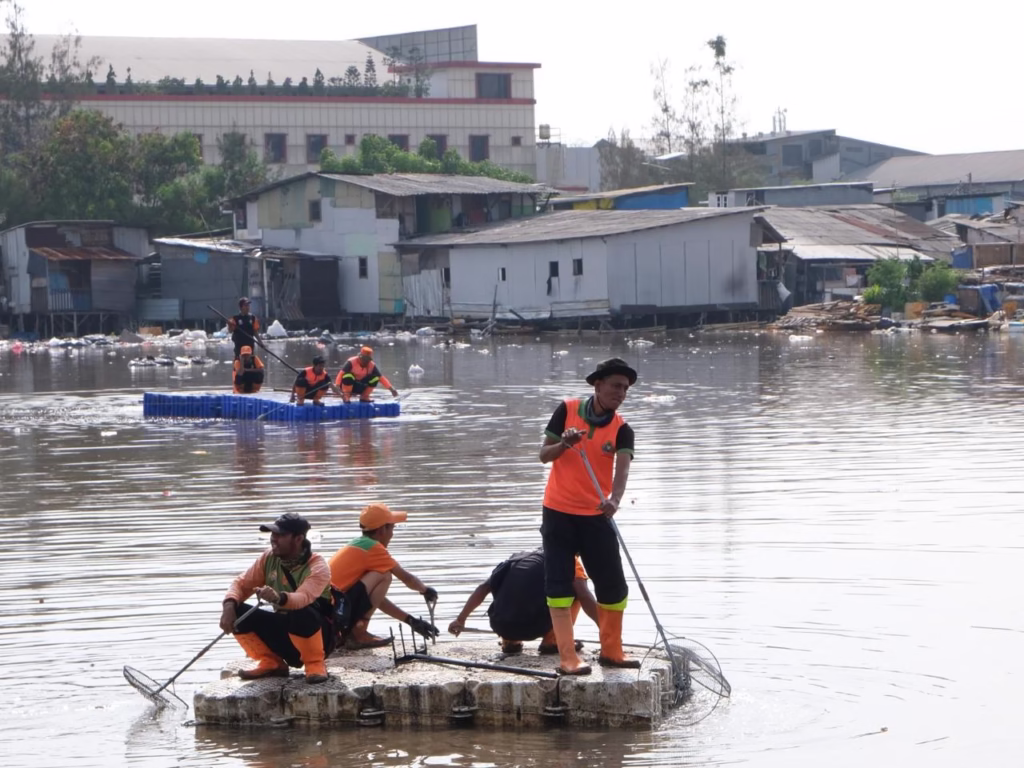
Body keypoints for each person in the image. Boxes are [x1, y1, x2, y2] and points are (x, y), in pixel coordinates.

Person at [538, 357, 640, 676]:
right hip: (558, 512)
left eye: (625, 388)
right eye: (615, 386)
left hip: (597, 515)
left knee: (614, 586)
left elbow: (622, 470)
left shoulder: (622, 429)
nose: (621, 393)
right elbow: (544, 455)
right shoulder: (566, 410)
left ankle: (612, 651)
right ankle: (568, 657)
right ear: (597, 385)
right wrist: (564, 445)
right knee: (558, 584)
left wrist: (615, 500)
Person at [220, 513, 333, 684]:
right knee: (238, 610)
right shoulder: (269, 558)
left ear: (298, 539)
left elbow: (303, 598)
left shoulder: (317, 566)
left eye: (280, 535)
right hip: (287, 630)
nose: (274, 539)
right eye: (273, 534)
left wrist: (278, 597)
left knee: (301, 611)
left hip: (319, 635)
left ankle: (315, 664)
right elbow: (241, 584)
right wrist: (228, 606)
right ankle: (271, 662)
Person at [328, 503, 439, 648]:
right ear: (382, 530)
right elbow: (407, 578)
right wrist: (425, 590)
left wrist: (410, 620)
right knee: (385, 575)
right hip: (334, 610)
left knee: (382, 576)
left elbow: (376, 600)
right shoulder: (374, 548)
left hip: (331, 613)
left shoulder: (360, 545)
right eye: (392, 528)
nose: (392, 534)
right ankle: (358, 634)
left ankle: (354, 633)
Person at [448, 549, 598, 655]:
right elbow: (585, 597)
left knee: (509, 587)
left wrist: (460, 619)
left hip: (501, 625)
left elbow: (483, 588)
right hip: (534, 626)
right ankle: (553, 641)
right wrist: (606, 630)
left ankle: (510, 641)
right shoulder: (570, 560)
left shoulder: (517, 558)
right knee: (577, 591)